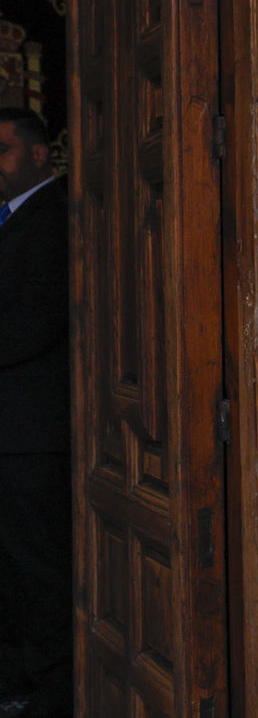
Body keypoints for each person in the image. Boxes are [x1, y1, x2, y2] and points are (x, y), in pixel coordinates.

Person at [0, 107, 72, 718]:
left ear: (39, 154)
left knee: (38, 565)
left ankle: (52, 693)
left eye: (2, 150)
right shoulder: (9, 220)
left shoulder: (57, 218)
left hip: (31, 433)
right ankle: (19, 677)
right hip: (11, 433)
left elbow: (33, 323)